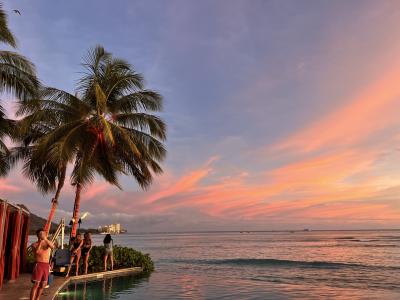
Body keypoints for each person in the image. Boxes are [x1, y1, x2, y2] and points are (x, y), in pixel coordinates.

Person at [30, 228, 55, 300]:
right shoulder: (34, 244)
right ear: (37, 235)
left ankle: (37, 298)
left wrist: (46, 240)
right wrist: (40, 242)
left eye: (43, 234)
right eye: (41, 234)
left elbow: (53, 247)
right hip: (39, 265)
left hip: (46, 265)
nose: (42, 235)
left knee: (43, 285)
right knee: (36, 284)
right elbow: (37, 252)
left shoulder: (48, 243)